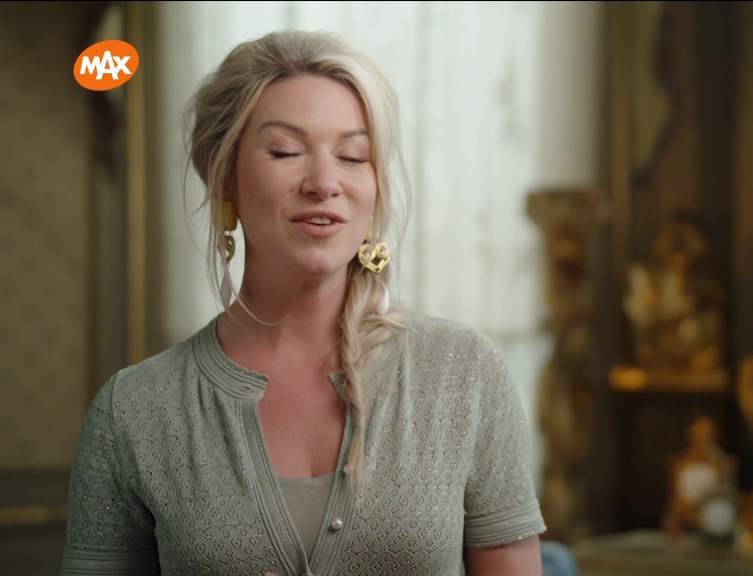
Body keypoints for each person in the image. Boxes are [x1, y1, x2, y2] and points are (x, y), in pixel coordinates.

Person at [60, 29, 545, 576]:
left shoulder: (464, 374)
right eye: (286, 151)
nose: (324, 182)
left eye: (353, 156)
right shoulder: (133, 412)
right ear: (224, 175)